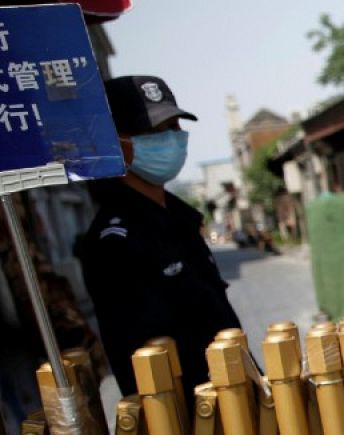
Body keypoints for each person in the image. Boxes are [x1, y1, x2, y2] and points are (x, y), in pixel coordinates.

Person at [81, 75, 242, 396]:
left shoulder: (180, 219)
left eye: (174, 128)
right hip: (187, 424)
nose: (170, 140)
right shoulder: (115, 242)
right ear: (115, 142)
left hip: (234, 398)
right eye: (153, 132)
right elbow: (142, 359)